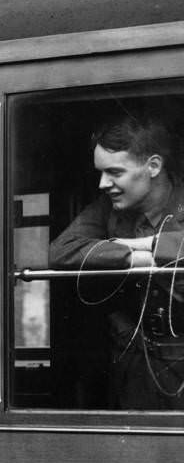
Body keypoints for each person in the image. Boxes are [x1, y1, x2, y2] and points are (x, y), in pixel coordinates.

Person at [49, 112, 184, 409]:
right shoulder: (106, 209)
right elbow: (61, 251)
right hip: (133, 368)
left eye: (115, 172)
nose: (102, 183)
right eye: (100, 172)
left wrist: (150, 244)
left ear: (153, 166)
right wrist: (135, 257)